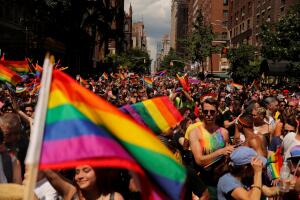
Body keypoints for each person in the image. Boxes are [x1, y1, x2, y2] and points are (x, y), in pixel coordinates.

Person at [188, 98, 234, 199]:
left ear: (217, 112)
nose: (209, 114)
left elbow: (228, 158)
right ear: (202, 112)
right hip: (205, 184)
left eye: (212, 111)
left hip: (223, 181)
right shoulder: (195, 133)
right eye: (206, 111)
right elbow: (199, 160)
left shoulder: (223, 132)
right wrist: (220, 152)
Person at [43, 165, 124, 200]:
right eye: (77, 172)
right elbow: (50, 174)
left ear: (98, 173)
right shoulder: (72, 193)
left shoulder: (114, 197)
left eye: (86, 171)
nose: (80, 176)